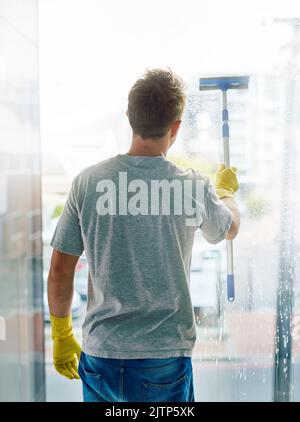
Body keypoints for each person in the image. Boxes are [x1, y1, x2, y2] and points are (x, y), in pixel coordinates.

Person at [48, 68, 240, 402]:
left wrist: (62, 335)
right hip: (164, 357)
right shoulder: (192, 186)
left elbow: (60, 271)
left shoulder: (88, 182)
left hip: (101, 356)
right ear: (176, 127)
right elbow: (228, 229)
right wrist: (226, 194)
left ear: (129, 118)